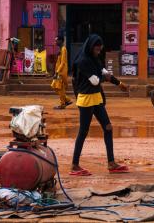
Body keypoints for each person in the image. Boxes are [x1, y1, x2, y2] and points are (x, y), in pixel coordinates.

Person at [70, 34, 129, 176]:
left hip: (96, 97)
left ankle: (111, 163)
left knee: (108, 127)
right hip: (85, 99)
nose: (98, 52)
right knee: (83, 132)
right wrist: (106, 78)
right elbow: (95, 80)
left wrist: (119, 83)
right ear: (91, 47)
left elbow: (104, 72)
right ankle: (74, 165)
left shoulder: (94, 58)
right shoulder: (83, 61)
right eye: (96, 49)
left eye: (99, 50)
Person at [51, 35, 72, 109]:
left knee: (58, 87)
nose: (55, 42)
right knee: (56, 86)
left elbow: (63, 63)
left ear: (61, 41)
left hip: (61, 72)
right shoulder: (61, 49)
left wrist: (57, 72)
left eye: (56, 40)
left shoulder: (63, 49)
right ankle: (67, 100)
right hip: (59, 71)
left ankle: (63, 103)